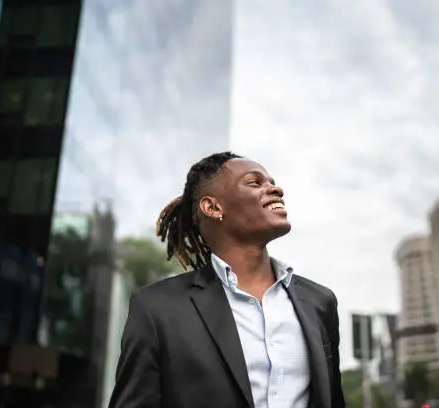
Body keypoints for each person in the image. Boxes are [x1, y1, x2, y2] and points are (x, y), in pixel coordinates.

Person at [109, 152, 345, 408]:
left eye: (272, 181)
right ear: (213, 207)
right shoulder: (158, 308)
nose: (276, 189)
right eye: (255, 183)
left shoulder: (319, 302)